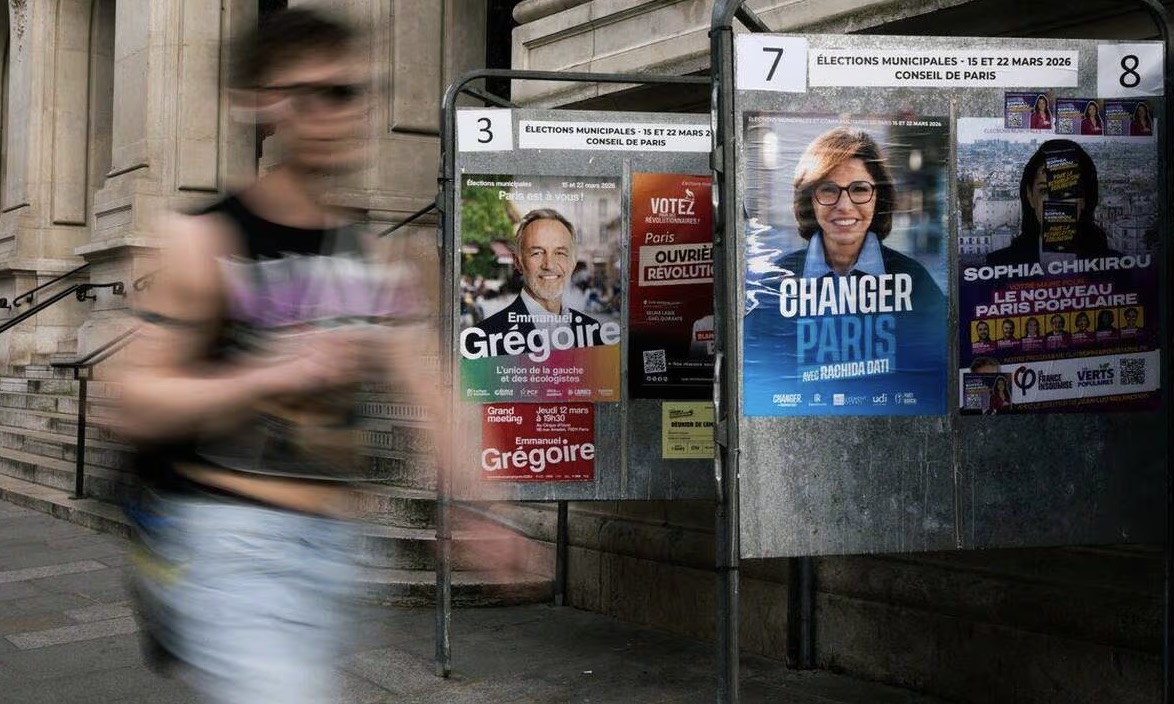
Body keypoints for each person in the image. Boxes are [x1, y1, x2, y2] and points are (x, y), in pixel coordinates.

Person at [110, 9, 444, 704]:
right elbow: (133, 399)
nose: (331, 113)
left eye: (348, 93)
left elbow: (430, 386)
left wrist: (478, 503)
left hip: (336, 545)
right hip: (227, 542)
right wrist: (271, 371)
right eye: (306, 94)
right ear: (260, 105)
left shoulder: (378, 254)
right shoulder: (206, 242)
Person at [776, 127, 944, 307]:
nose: (844, 206)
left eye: (860, 189)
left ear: (879, 198)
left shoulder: (916, 282)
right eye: (829, 190)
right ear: (809, 200)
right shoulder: (776, 281)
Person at [462, 208, 610, 357]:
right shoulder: (483, 339)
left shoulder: (594, 332)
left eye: (560, 253)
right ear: (518, 262)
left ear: (572, 262)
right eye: (537, 253)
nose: (549, 265)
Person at [986, 140, 1114, 265]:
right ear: (1030, 196)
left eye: (1068, 191)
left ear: (1085, 199)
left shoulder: (1117, 267)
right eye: (1045, 190)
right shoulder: (998, 264)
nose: (1057, 202)